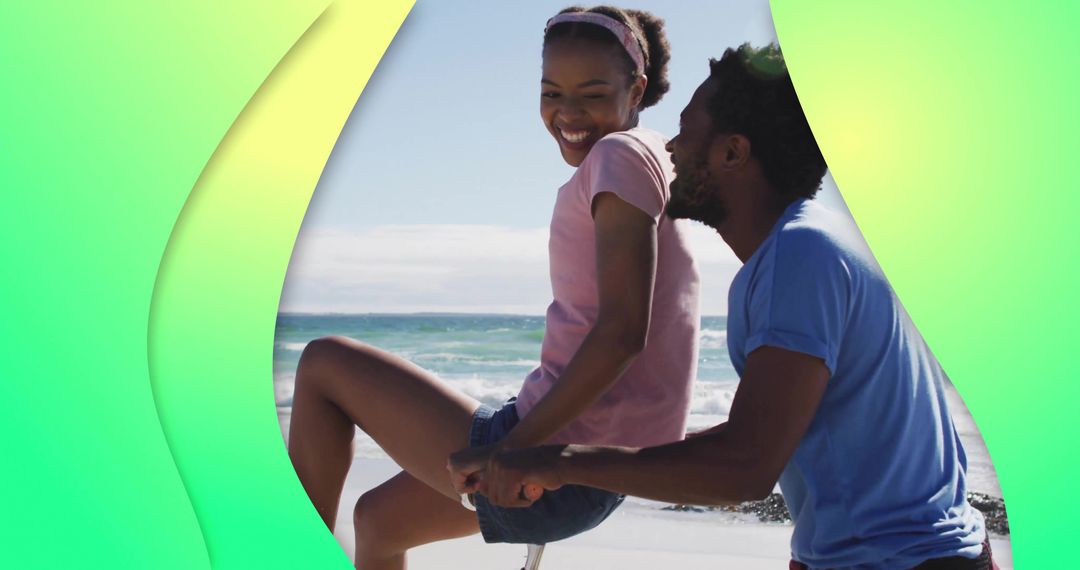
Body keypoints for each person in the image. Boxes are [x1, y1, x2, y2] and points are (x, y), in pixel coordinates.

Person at [467, 44, 998, 570]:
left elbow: (745, 468)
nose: (670, 148)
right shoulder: (817, 244)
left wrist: (563, 461)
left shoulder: (800, 258)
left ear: (733, 153)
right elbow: (764, 434)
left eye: (686, 132)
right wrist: (610, 461)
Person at [287, 6, 700, 569]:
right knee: (379, 521)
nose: (568, 112)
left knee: (323, 363)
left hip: (553, 460)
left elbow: (624, 333)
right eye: (551, 93)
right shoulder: (647, 155)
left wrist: (512, 449)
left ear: (637, 90)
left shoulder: (618, 156)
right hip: (593, 468)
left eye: (593, 94)